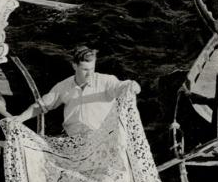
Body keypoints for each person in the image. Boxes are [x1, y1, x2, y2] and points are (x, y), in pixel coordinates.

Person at [10, 44, 139, 136]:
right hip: (73, 139)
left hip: (101, 139)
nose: (90, 74)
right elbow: (41, 106)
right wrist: (20, 118)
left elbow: (121, 87)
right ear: (74, 66)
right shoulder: (63, 86)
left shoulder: (106, 81)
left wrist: (132, 86)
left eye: (92, 69)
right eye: (85, 70)